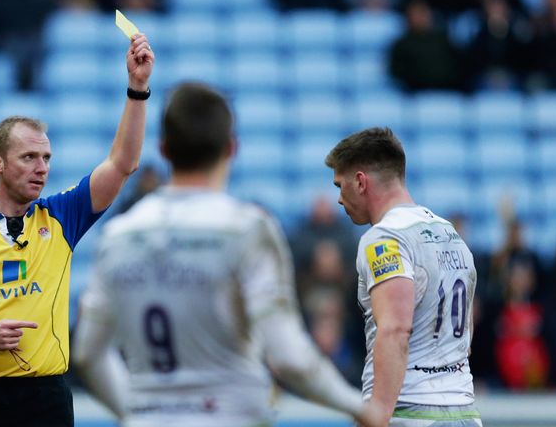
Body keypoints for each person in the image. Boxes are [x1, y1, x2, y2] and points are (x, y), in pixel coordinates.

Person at [71, 82, 383, 427]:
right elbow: (290, 357)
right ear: (231, 148)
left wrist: (137, 412)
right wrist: (359, 407)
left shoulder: (120, 235)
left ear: (163, 149)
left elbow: (88, 352)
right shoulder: (246, 229)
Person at [0, 33, 154, 427]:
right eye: (29, 157)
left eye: (47, 157)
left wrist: (137, 89)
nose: (42, 168)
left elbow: (123, 163)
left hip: (46, 399)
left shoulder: (63, 217)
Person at [324, 127, 482, 426]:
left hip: (409, 411)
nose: (338, 200)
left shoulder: (384, 239)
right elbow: (465, 339)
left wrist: (377, 415)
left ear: (360, 181)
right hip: (463, 410)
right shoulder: (449, 233)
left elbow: (395, 329)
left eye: (339, 185)